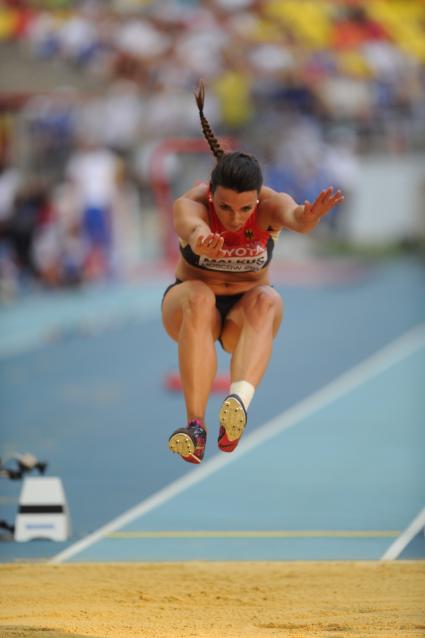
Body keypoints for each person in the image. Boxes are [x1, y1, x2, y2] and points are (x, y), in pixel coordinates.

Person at [162, 81, 344, 464]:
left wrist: (307, 218)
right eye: (225, 208)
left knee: (269, 297)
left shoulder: (270, 205)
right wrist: (201, 241)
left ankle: (237, 404)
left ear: (258, 199)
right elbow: (191, 228)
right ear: (212, 195)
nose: (234, 218)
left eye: (245, 210)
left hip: (242, 316)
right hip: (189, 309)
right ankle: (195, 427)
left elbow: (296, 217)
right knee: (200, 295)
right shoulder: (191, 204)